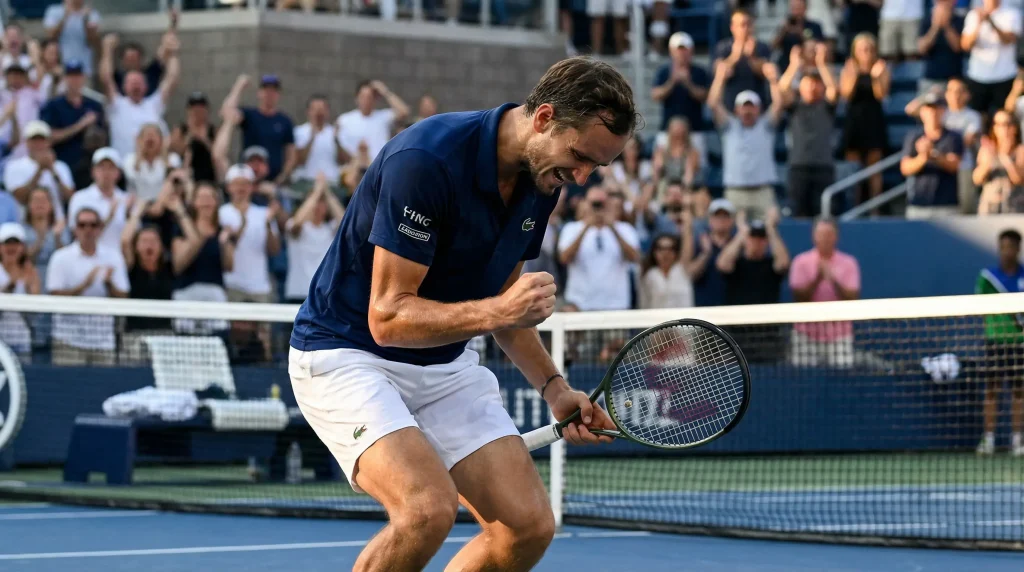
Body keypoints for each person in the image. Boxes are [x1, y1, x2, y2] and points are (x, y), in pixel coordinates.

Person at [289, 57, 635, 571]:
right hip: (346, 353)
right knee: (425, 510)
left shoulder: (543, 179)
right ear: (543, 118)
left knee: (529, 527)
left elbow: (503, 307)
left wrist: (555, 389)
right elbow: (388, 317)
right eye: (580, 157)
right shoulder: (426, 160)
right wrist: (499, 308)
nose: (582, 178)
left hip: (443, 366)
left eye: (596, 168)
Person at [975, 229, 1024, 456]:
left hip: (1019, 343)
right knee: (992, 390)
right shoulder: (988, 277)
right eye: (1003, 247)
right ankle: (989, 439)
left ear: (1017, 249)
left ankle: (1017, 440)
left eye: (1010, 247)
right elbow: (981, 309)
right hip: (995, 342)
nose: (1006, 252)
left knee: (1019, 391)